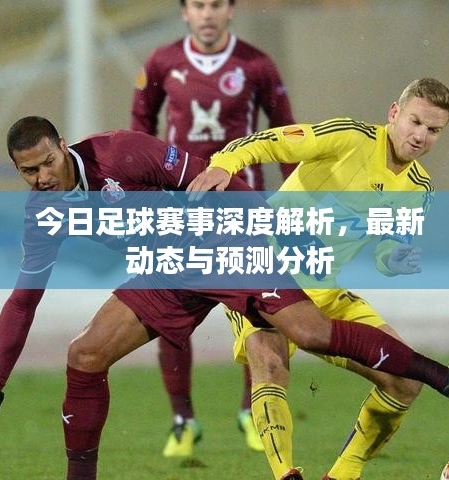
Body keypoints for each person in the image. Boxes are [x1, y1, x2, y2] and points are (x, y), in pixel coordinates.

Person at [0, 116, 449, 480]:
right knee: (85, 355)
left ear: (62, 146)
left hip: (222, 241)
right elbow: (22, 303)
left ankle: (443, 376)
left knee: (308, 333)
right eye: (28, 171)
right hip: (167, 269)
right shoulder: (42, 215)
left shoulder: (120, 153)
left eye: (48, 162)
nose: (42, 178)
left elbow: (216, 179)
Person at [187, 78, 449, 480]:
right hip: (262, 271)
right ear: (394, 113)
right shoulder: (348, 137)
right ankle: (285, 474)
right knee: (270, 363)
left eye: (433, 130)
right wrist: (224, 164)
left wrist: (394, 260)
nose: (420, 136)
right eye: (415, 122)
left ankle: (343, 474)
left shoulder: (418, 189)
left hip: (324, 291)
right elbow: (270, 142)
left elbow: (388, 248)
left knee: (405, 380)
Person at [130, 0, 296, 456]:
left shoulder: (256, 64)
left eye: (216, 5)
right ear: (185, 12)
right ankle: (183, 421)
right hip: (181, 207)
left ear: (231, 10)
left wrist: (296, 200)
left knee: (259, 310)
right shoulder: (162, 62)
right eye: (198, 5)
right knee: (168, 311)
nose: (207, 14)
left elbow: (286, 132)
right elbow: (140, 128)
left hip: (244, 206)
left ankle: (251, 409)